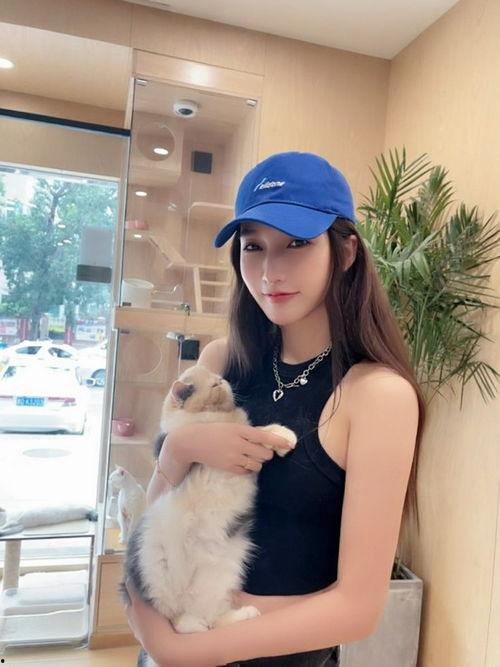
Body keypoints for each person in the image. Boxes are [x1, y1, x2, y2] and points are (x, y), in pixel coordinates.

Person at [125, 151, 425, 667]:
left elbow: (358, 608)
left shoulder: (377, 395)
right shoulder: (222, 364)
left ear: (345, 251)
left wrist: (177, 646)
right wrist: (177, 451)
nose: (270, 271)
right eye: (253, 246)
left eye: (297, 243)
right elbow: (157, 527)